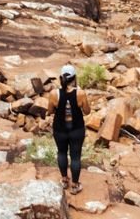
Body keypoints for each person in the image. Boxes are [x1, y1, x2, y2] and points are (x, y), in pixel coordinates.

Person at [50, 64, 88, 194]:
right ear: (74, 78)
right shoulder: (80, 93)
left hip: (59, 129)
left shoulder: (54, 94)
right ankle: (75, 185)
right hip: (77, 130)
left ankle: (64, 180)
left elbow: (50, 110)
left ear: (61, 78)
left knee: (61, 152)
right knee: (75, 157)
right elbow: (87, 111)